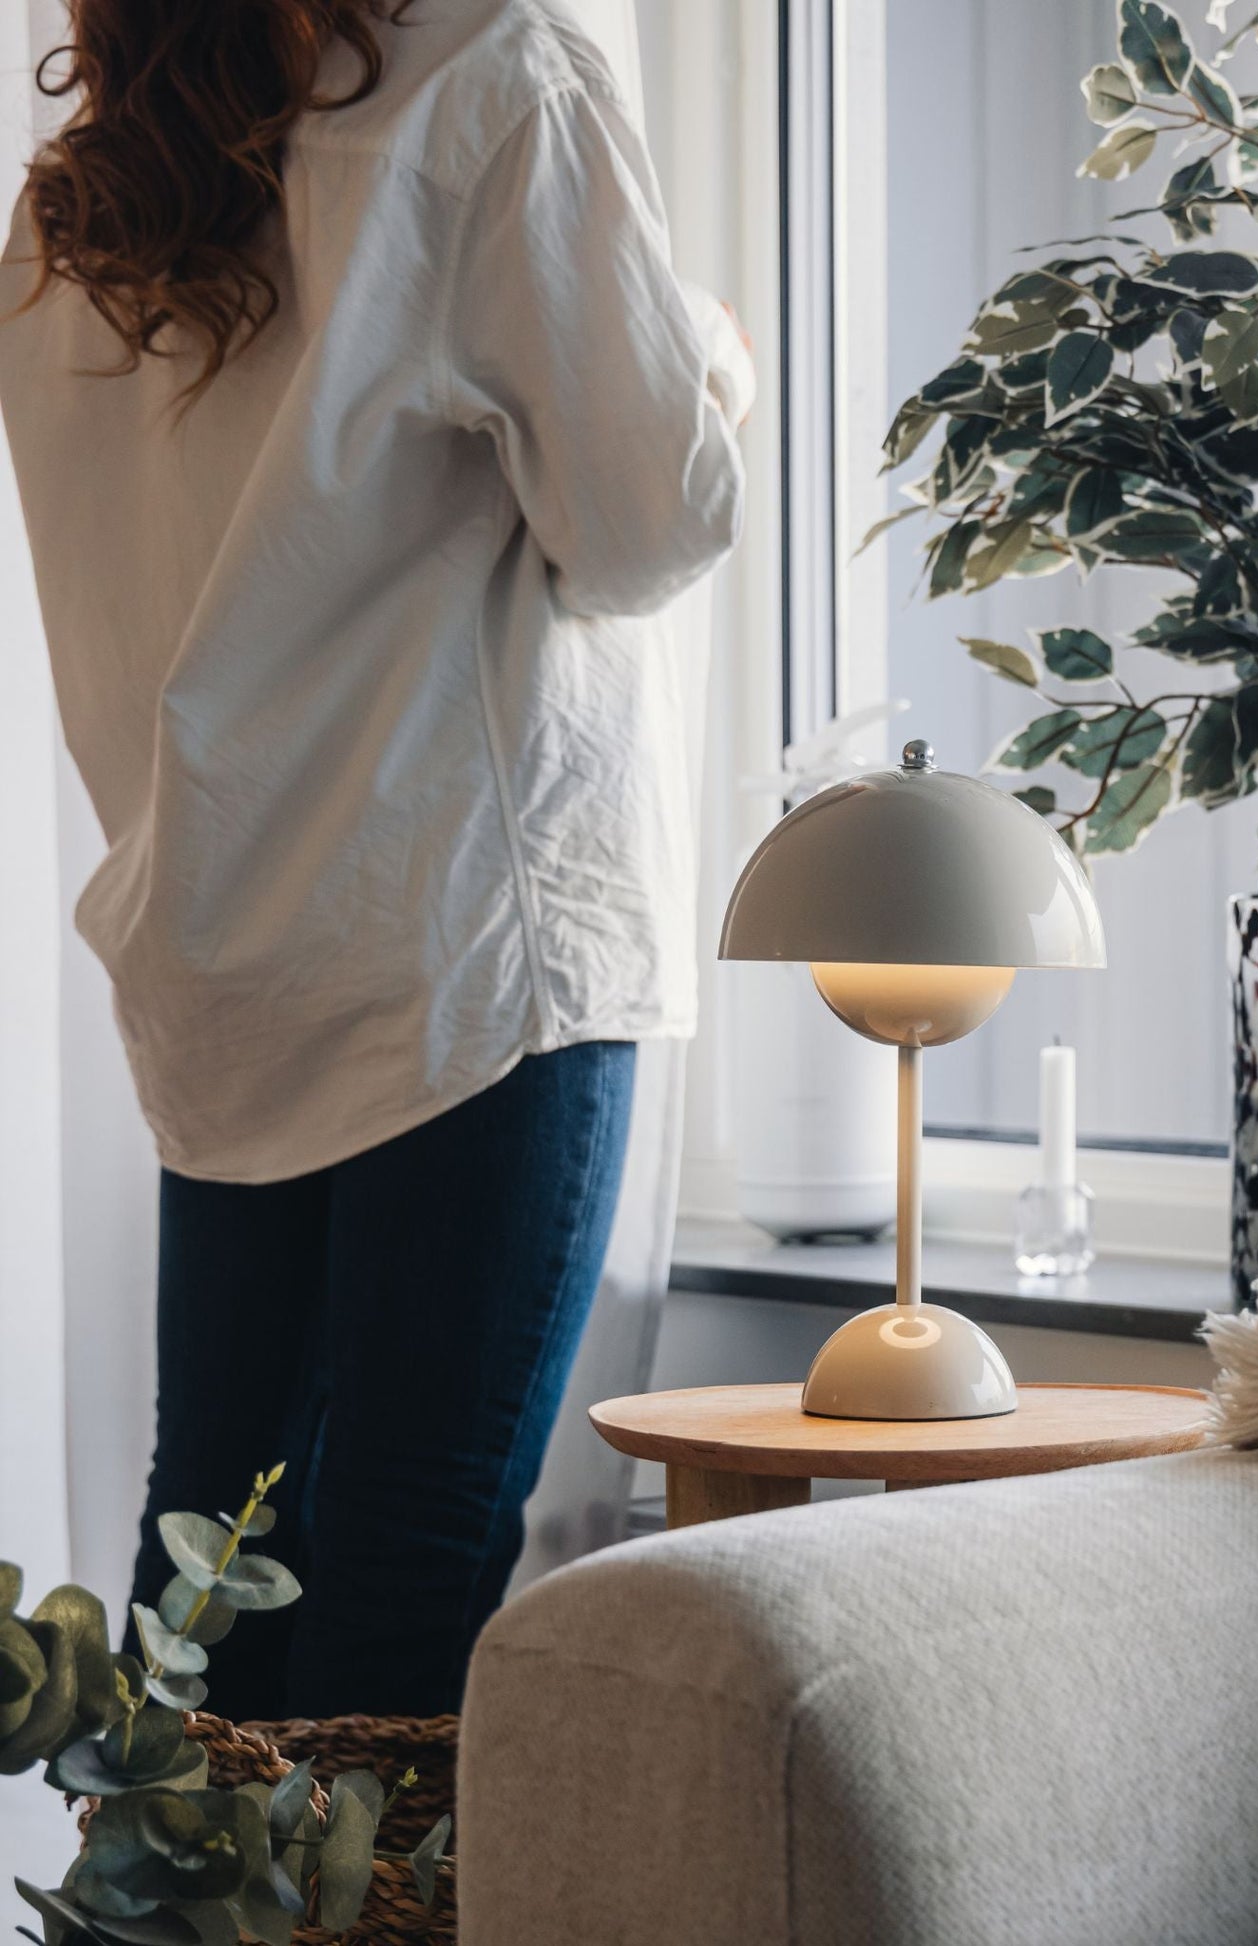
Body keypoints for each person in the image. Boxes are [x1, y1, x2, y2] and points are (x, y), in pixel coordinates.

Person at [0, 0, 750, 1719]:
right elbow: (648, 523)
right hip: (460, 945)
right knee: (408, 1554)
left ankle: (170, 1874)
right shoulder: (493, 77)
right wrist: (708, 355)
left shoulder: (81, 203)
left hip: (220, 948)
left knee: (209, 1563)